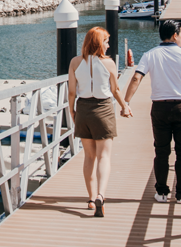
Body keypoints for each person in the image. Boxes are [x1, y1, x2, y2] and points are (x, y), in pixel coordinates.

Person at [124, 20, 181, 204]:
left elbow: (136, 77)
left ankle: (161, 193)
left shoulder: (150, 55)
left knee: (161, 151)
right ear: (175, 35)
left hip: (159, 108)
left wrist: (126, 102)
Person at [67, 26, 132, 217]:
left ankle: (90, 197)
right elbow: (115, 90)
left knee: (89, 156)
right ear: (98, 43)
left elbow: (72, 91)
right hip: (103, 109)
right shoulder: (109, 63)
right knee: (104, 157)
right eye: (106, 41)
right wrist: (124, 107)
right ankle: (101, 196)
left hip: (84, 109)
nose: (108, 44)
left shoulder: (75, 62)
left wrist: (72, 110)